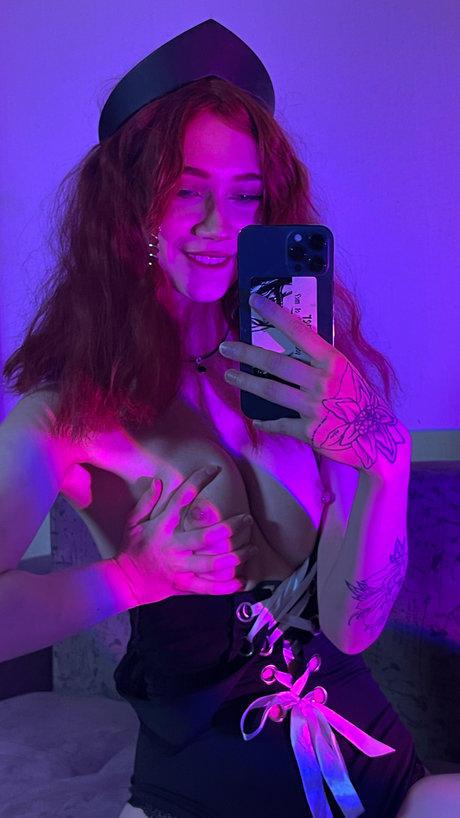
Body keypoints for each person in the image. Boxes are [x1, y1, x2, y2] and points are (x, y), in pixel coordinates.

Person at [1, 18, 458, 818]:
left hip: (379, 780)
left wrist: (382, 457)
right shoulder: (66, 414)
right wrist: (132, 577)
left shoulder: (305, 380)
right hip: (198, 793)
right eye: (187, 192)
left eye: (245, 195)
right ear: (131, 209)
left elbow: (351, 629)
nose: (222, 226)